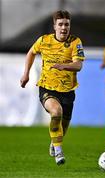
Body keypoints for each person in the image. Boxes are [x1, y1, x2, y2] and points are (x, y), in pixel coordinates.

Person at [20, 10, 85, 165]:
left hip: (68, 90)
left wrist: (63, 66)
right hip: (47, 88)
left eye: (67, 24)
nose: (64, 28)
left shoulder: (75, 42)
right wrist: (26, 74)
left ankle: (55, 142)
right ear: (54, 26)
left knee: (63, 125)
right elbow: (31, 53)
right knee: (56, 112)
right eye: (61, 24)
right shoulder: (44, 40)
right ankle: (59, 151)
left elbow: (79, 65)